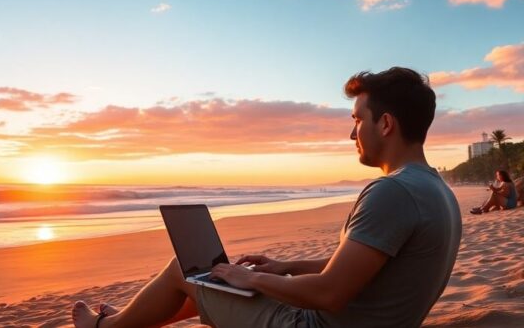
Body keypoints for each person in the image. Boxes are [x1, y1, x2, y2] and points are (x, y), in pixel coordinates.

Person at [71, 67, 463, 328]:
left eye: (357, 120)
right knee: (216, 279)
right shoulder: (434, 189)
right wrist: (285, 266)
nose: (351, 134)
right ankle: (135, 318)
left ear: (386, 123)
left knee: (183, 270)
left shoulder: (391, 191)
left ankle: (107, 327)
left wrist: (253, 276)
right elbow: (371, 264)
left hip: (312, 324)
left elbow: (329, 292)